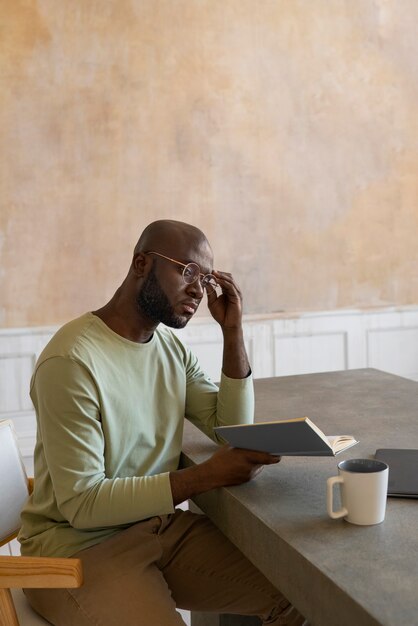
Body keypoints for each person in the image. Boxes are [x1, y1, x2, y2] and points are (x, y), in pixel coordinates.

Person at [19, 220, 306, 625]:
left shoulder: (169, 346)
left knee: (302, 594)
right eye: (187, 271)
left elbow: (232, 427)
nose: (198, 289)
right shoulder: (70, 362)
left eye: (205, 279)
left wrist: (233, 331)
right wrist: (204, 478)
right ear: (141, 264)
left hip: (156, 529)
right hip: (77, 552)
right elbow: (83, 504)